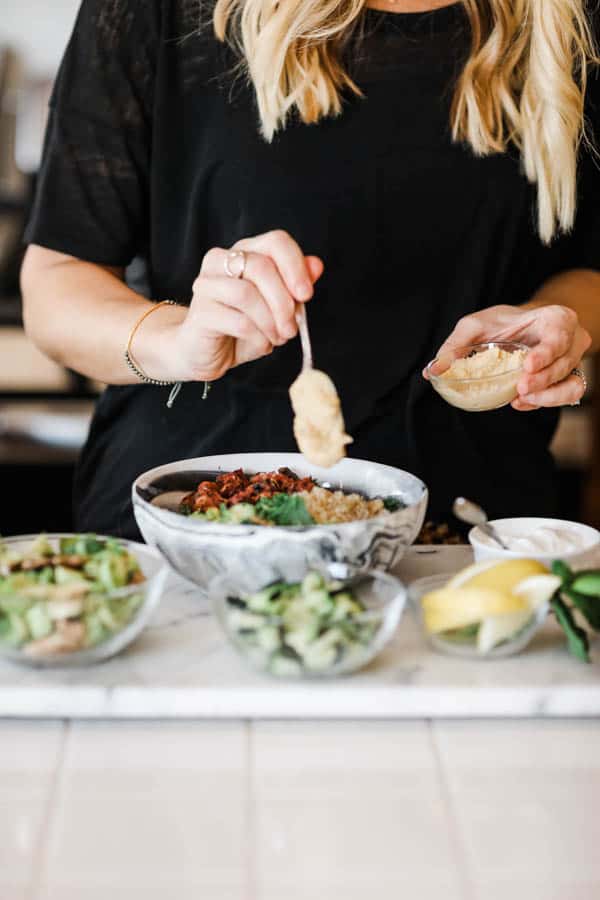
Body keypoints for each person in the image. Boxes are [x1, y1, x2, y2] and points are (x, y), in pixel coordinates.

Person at [21, 0, 600, 539]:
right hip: (199, 511)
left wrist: (551, 326)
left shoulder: (570, 18)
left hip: (473, 520)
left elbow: (588, 269)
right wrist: (178, 341)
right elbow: (56, 282)